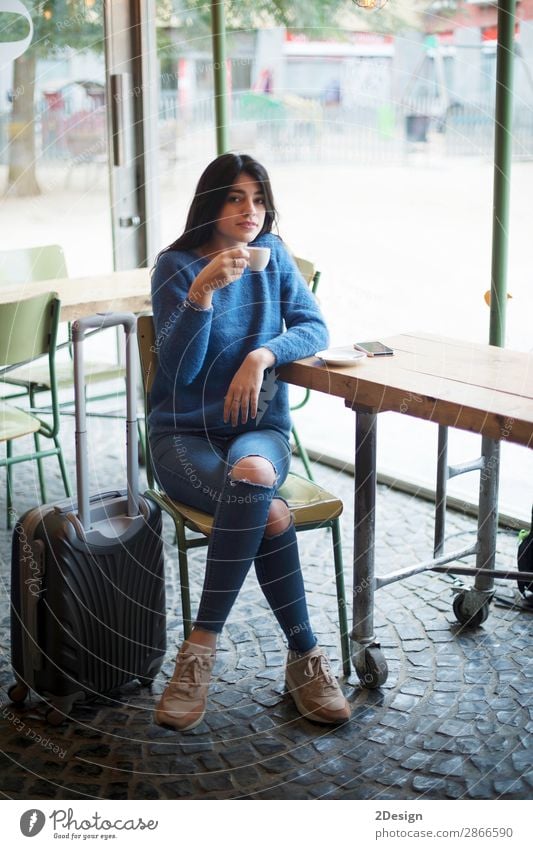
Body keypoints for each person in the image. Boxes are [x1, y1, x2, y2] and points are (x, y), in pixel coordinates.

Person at [149, 152, 350, 731]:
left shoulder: (276, 257)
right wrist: (201, 297)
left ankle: (198, 654)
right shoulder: (175, 267)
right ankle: (304, 657)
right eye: (237, 197)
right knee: (268, 511)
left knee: (257, 473)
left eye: (259, 199)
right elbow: (181, 373)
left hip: (258, 428)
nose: (251, 211)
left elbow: (314, 328)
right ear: (211, 202)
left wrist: (262, 357)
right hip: (184, 435)